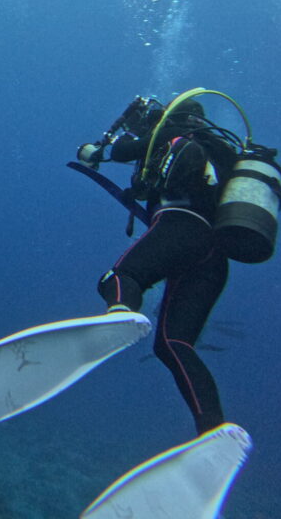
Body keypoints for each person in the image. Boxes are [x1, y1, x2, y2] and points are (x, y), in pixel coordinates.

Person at [76, 95, 241, 435]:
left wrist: (116, 142)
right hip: (215, 253)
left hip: (180, 227)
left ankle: (122, 312)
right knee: (173, 343)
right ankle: (214, 430)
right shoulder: (221, 151)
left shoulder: (168, 132)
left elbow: (120, 152)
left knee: (119, 277)